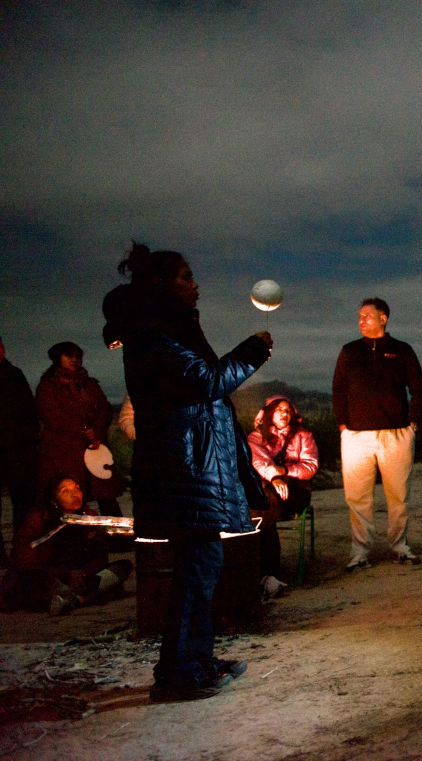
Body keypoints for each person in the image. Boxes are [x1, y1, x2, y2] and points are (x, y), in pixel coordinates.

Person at [102, 242, 272, 701]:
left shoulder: (167, 326)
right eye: (185, 277)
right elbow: (206, 382)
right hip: (182, 465)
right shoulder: (155, 332)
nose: (194, 285)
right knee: (195, 569)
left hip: (193, 461)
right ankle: (178, 674)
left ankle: (197, 660)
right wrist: (253, 351)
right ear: (161, 284)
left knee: (203, 566)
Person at [333, 298, 422, 570]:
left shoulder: (401, 350)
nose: (361, 320)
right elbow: (338, 389)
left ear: (383, 318)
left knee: (398, 495)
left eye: (367, 316)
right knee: (357, 497)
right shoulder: (349, 351)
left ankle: (399, 547)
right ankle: (360, 552)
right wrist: (342, 425)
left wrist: (413, 423)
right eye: (359, 316)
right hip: (356, 436)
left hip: (396, 433)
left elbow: (418, 388)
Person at [0, 475, 133, 616]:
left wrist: (83, 573)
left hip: (78, 575)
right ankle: (80, 596)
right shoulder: (38, 520)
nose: (74, 494)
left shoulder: (89, 516)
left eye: (77, 489)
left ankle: (72, 600)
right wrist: (65, 575)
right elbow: (24, 562)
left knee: (123, 566)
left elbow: (99, 554)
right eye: (65, 491)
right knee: (32, 580)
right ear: (53, 500)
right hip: (48, 575)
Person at [34, 341, 124, 518]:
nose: (75, 360)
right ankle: (76, 537)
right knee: (70, 497)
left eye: (77, 356)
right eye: (69, 356)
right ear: (57, 358)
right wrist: (83, 429)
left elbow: (104, 409)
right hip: (64, 451)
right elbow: (51, 416)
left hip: (95, 447)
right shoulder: (48, 386)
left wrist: (96, 431)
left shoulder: (89, 384)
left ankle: (118, 537)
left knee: (106, 495)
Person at [247, 395, 319, 597]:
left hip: (297, 491)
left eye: (287, 410)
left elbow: (310, 466)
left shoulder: (303, 436)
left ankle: (266, 571)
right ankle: (266, 571)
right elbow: (258, 462)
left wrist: (283, 471)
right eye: (279, 409)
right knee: (263, 505)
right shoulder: (256, 438)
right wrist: (274, 478)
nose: (284, 413)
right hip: (269, 491)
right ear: (268, 412)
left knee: (263, 508)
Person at [0, 336, 39, 565]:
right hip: (14, 448)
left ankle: (22, 549)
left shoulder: (14, 375)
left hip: (17, 450)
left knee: (23, 502)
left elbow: (28, 412)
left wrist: (29, 442)